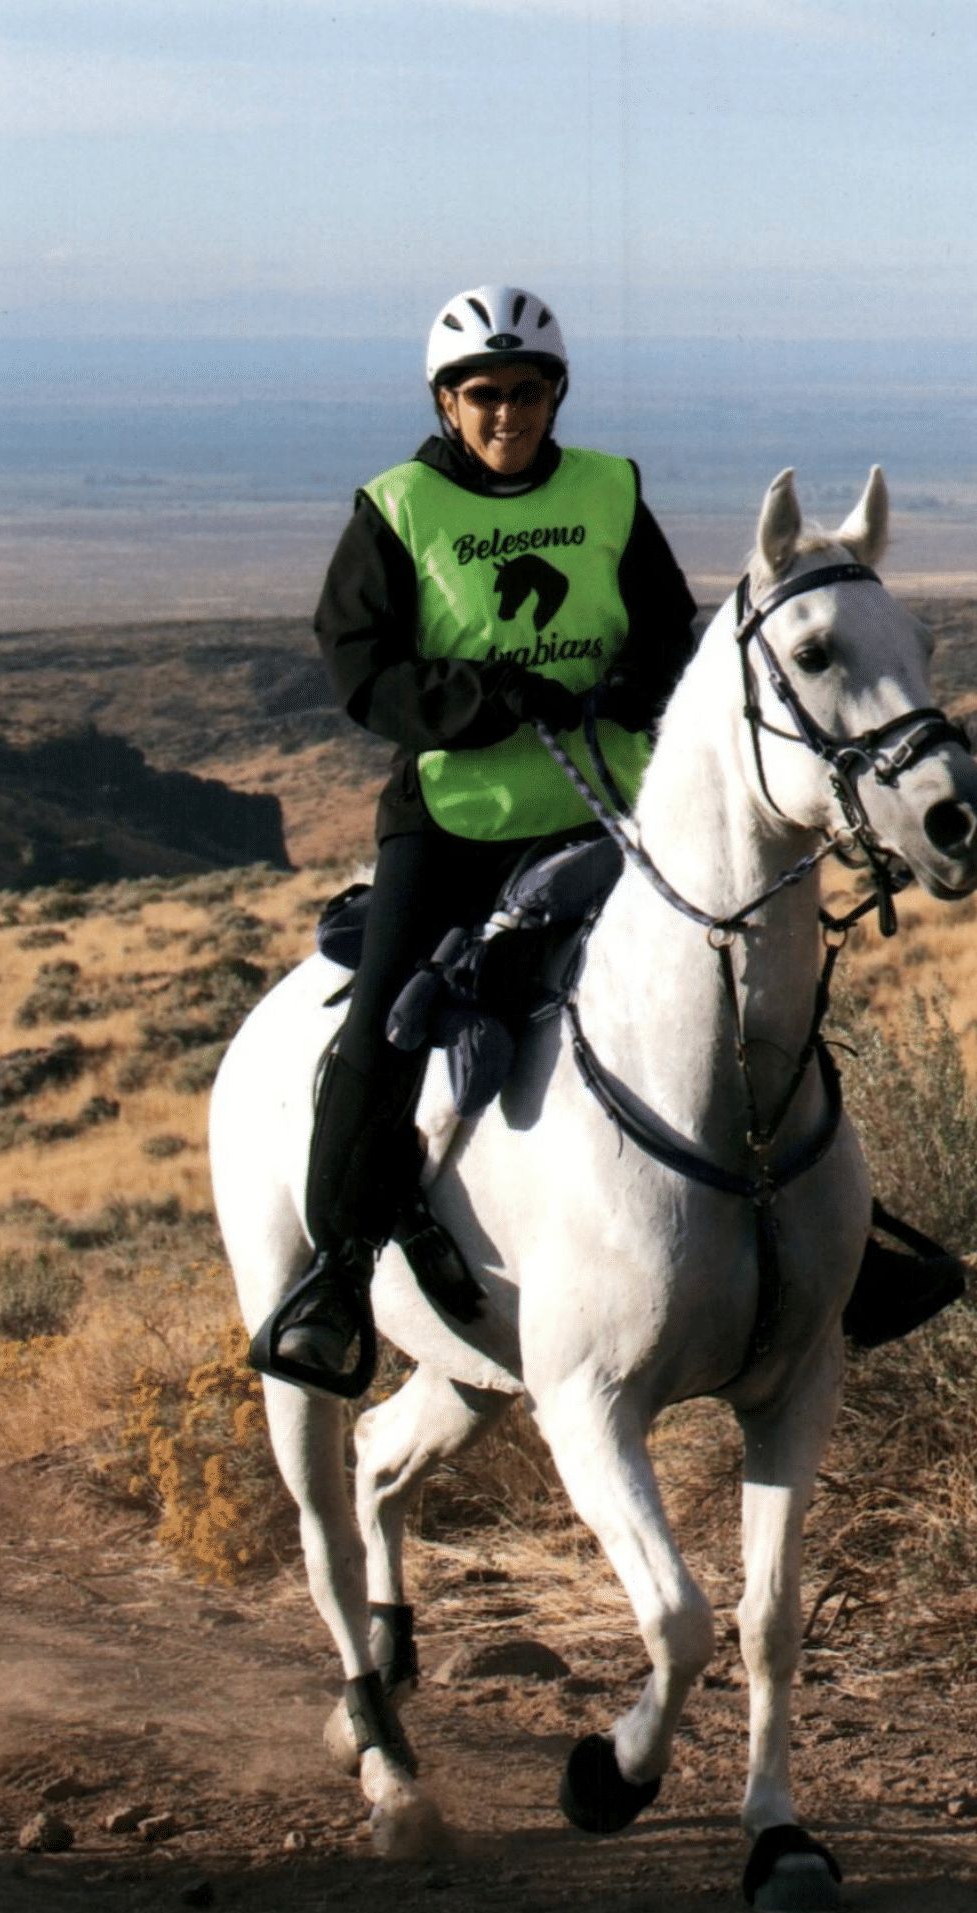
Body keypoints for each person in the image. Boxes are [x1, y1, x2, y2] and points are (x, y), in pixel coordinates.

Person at [273, 283, 698, 1383]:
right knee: (381, 1019)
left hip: (611, 803)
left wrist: (618, 684)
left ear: (554, 393)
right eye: (481, 394)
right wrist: (488, 696)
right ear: (446, 401)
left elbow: (665, 627)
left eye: (524, 391)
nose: (504, 412)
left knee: (740, 959)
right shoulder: (397, 504)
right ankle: (336, 1271)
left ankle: (831, 1228)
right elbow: (360, 667)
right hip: (458, 823)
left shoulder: (609, 488)